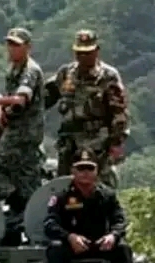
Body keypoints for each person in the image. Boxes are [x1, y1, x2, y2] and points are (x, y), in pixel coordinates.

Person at [42, 149, 139, 263]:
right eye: (81, 168)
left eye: (90, 168)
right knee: (55, 250)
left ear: (96, 170)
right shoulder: (62, 197)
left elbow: (120, 220)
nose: (85, 172)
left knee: (123, 249)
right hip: (72, 247)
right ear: (73, 171)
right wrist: (69, 237)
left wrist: (113, 236)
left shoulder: (107, 195)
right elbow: (50, 224)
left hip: (100, 245)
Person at [0, 28, 45, 240]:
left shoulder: (30, 70)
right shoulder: (14, 68)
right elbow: (13, 104)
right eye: (10, 44)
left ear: (28, 47)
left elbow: (21, 99)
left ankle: (16, 201)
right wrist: (1, 111)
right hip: (18, 131)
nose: (12, 49)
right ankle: (29, 217)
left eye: (17, 45)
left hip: (22, 134)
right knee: (28, 180)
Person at [44, 30, 129, 188]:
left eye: (88, 53)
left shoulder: (107, 76)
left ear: (96, 51)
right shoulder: (66, 73)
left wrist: (116, 143)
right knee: (64, 186)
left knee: (100, 187)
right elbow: (46, 96)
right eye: (80, 53)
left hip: (97, 142)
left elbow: (119, 112)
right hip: (69, 141)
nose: (83, 57)